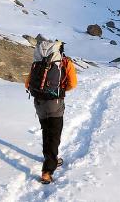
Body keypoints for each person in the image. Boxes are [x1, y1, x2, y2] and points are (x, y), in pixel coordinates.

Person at [25, 36, 77, 184]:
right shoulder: (65, 62)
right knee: (54, 135)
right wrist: (59, 91)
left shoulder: (38, 62)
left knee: (46, 131)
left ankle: (50, 157)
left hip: (39, 102)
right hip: (55, 103)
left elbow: (27, 84)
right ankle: (47, 171)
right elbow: (73, 84)